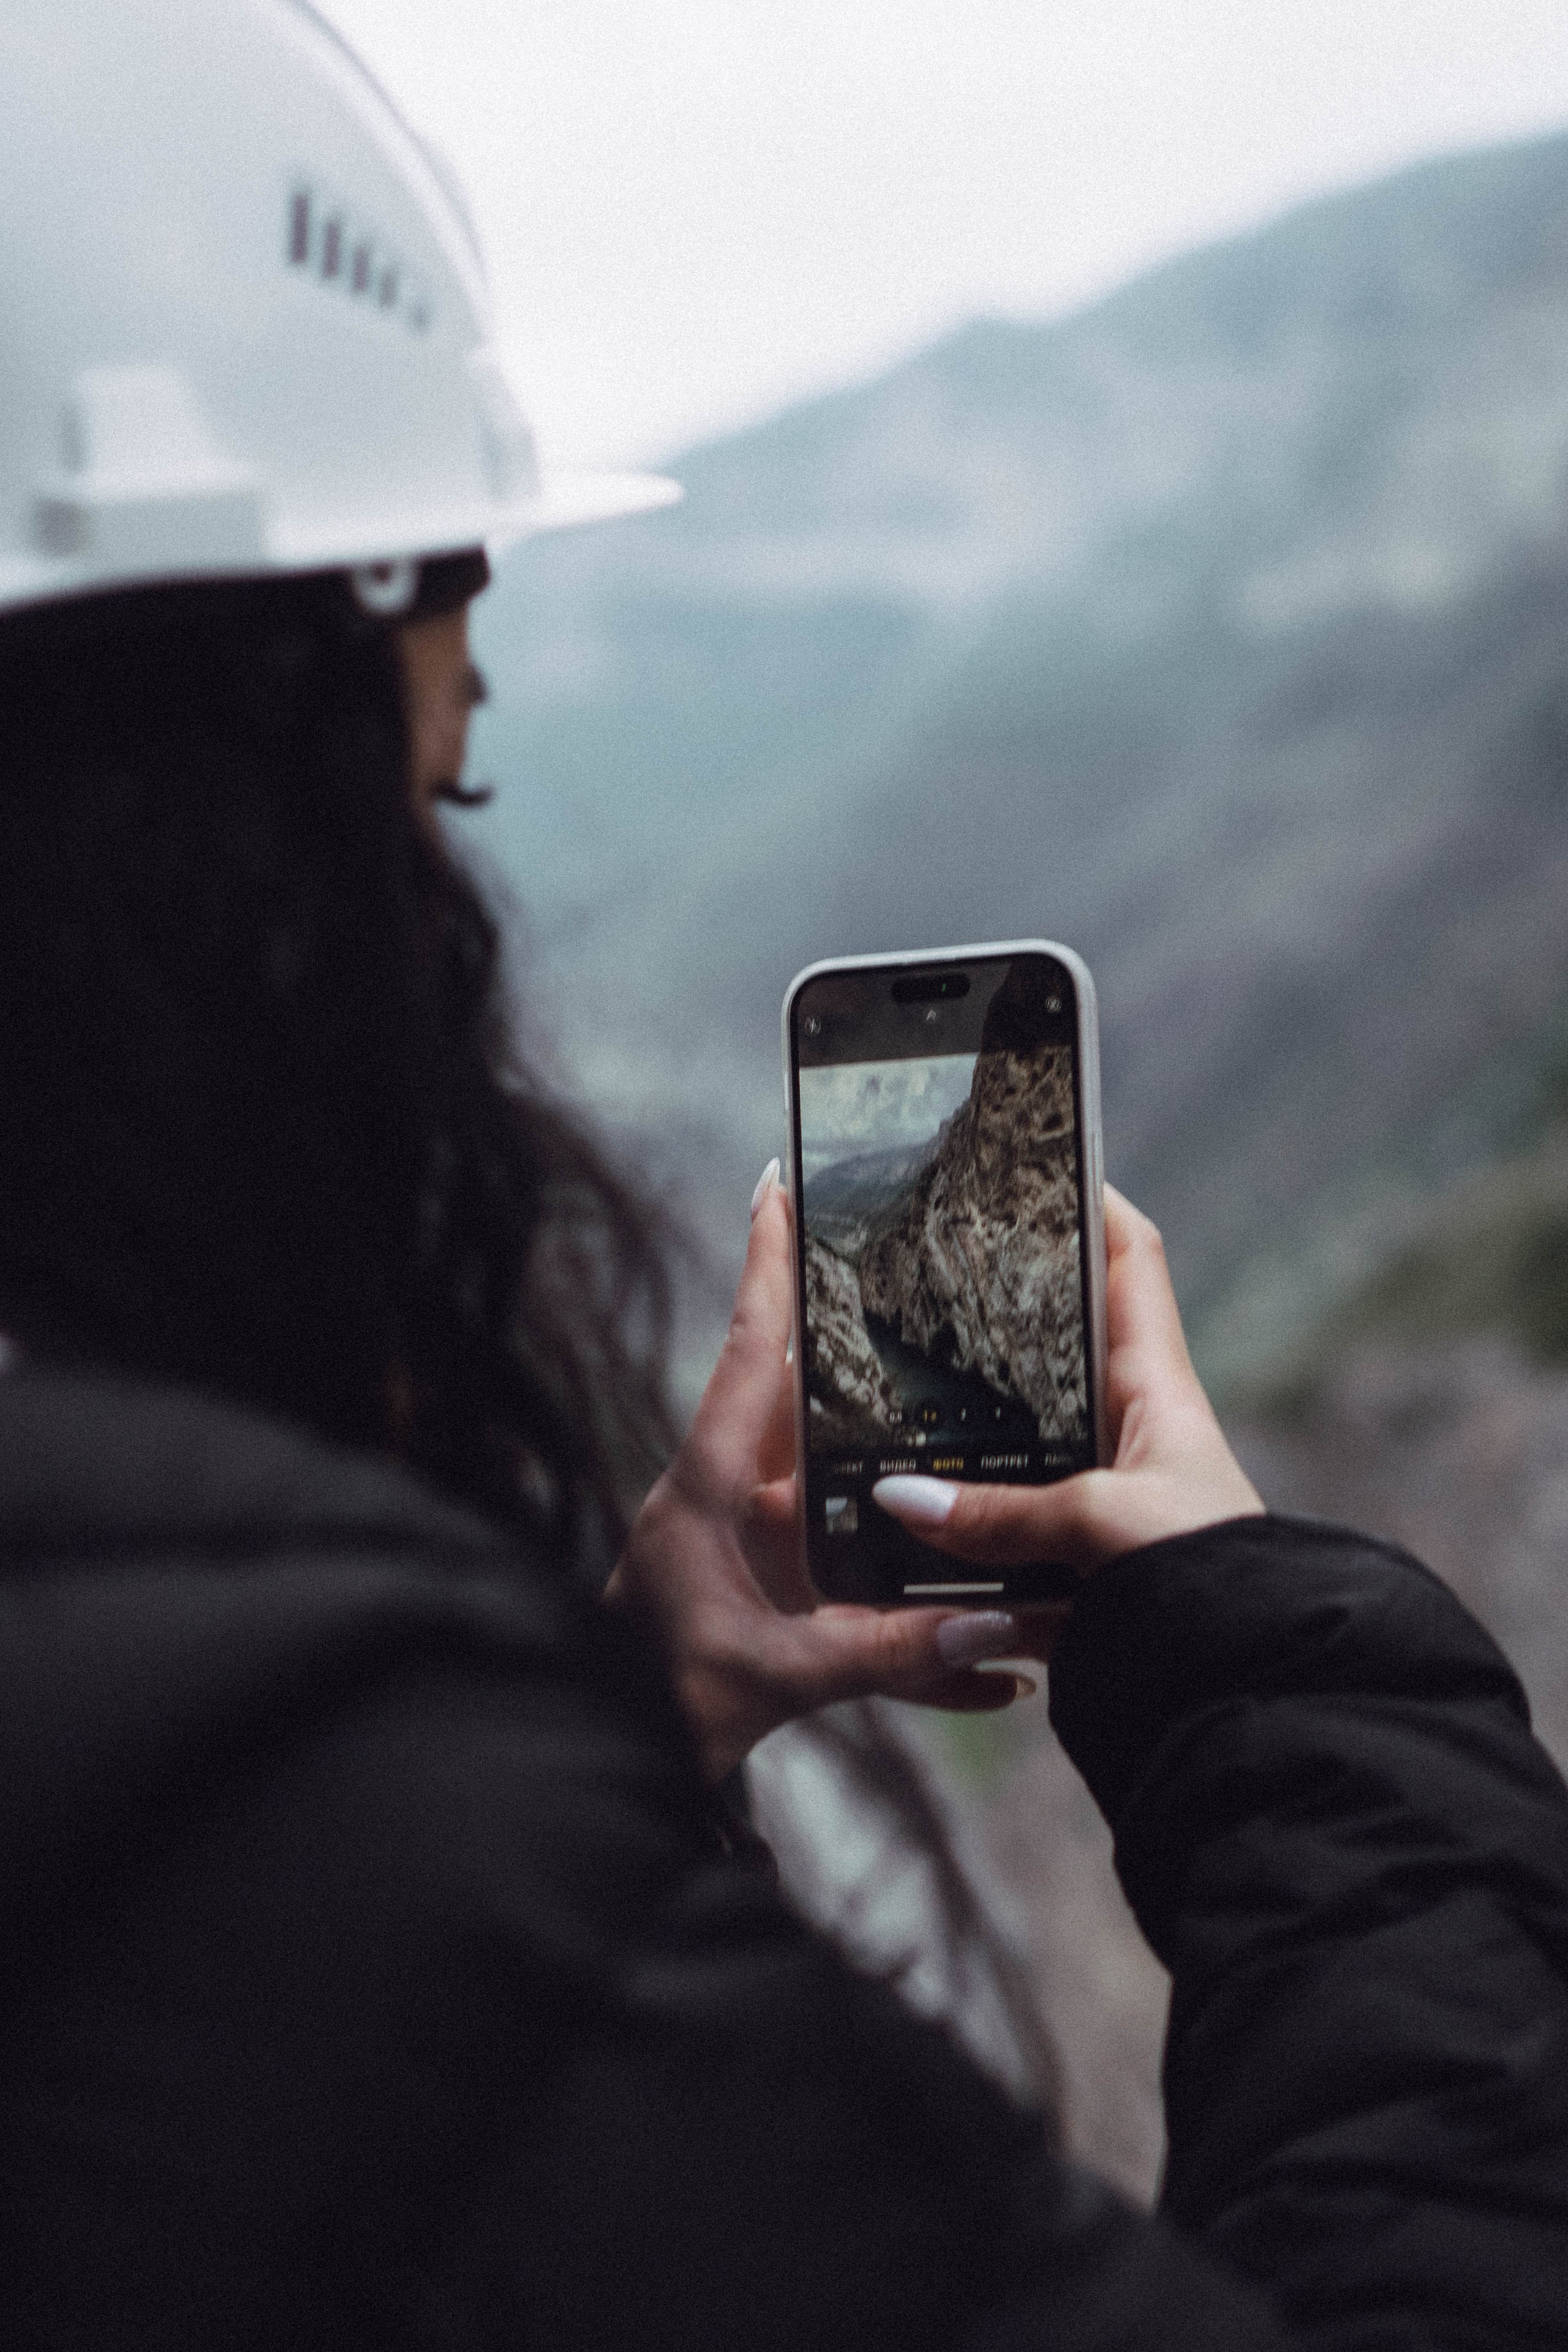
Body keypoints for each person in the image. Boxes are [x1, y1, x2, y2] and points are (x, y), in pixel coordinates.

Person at [3, 4, 1568, 2346]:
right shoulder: (343, 1870)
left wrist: (605, 1724)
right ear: (219, 837)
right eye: (431, 799)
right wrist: (1291, 1696)